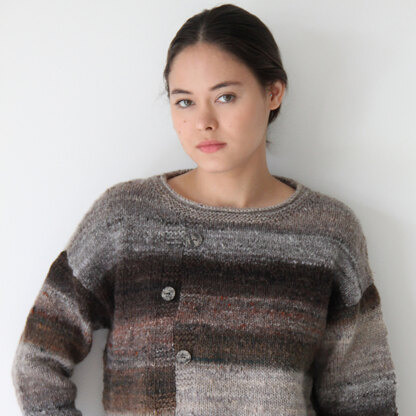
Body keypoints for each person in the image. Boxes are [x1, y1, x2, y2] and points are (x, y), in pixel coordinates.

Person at [11, 3, 399, 415]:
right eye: (184, 102)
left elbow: (364, 399)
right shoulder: (126, 219)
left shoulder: (328, 233)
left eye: (225, 97)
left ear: (273, 93)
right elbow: (37, 362)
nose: (204, 122)